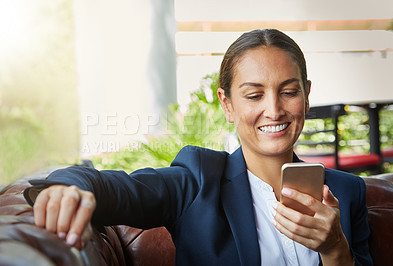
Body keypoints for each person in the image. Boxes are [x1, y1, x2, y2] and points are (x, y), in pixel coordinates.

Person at [24, 29, 372, 266]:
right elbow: (112, 187)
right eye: (253, 95)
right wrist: (65, 188)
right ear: (227, 104)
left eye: (289, 91)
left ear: (307, 95)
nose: (275, 109)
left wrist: (335, 249)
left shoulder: (348, 192)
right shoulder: (196, 181)